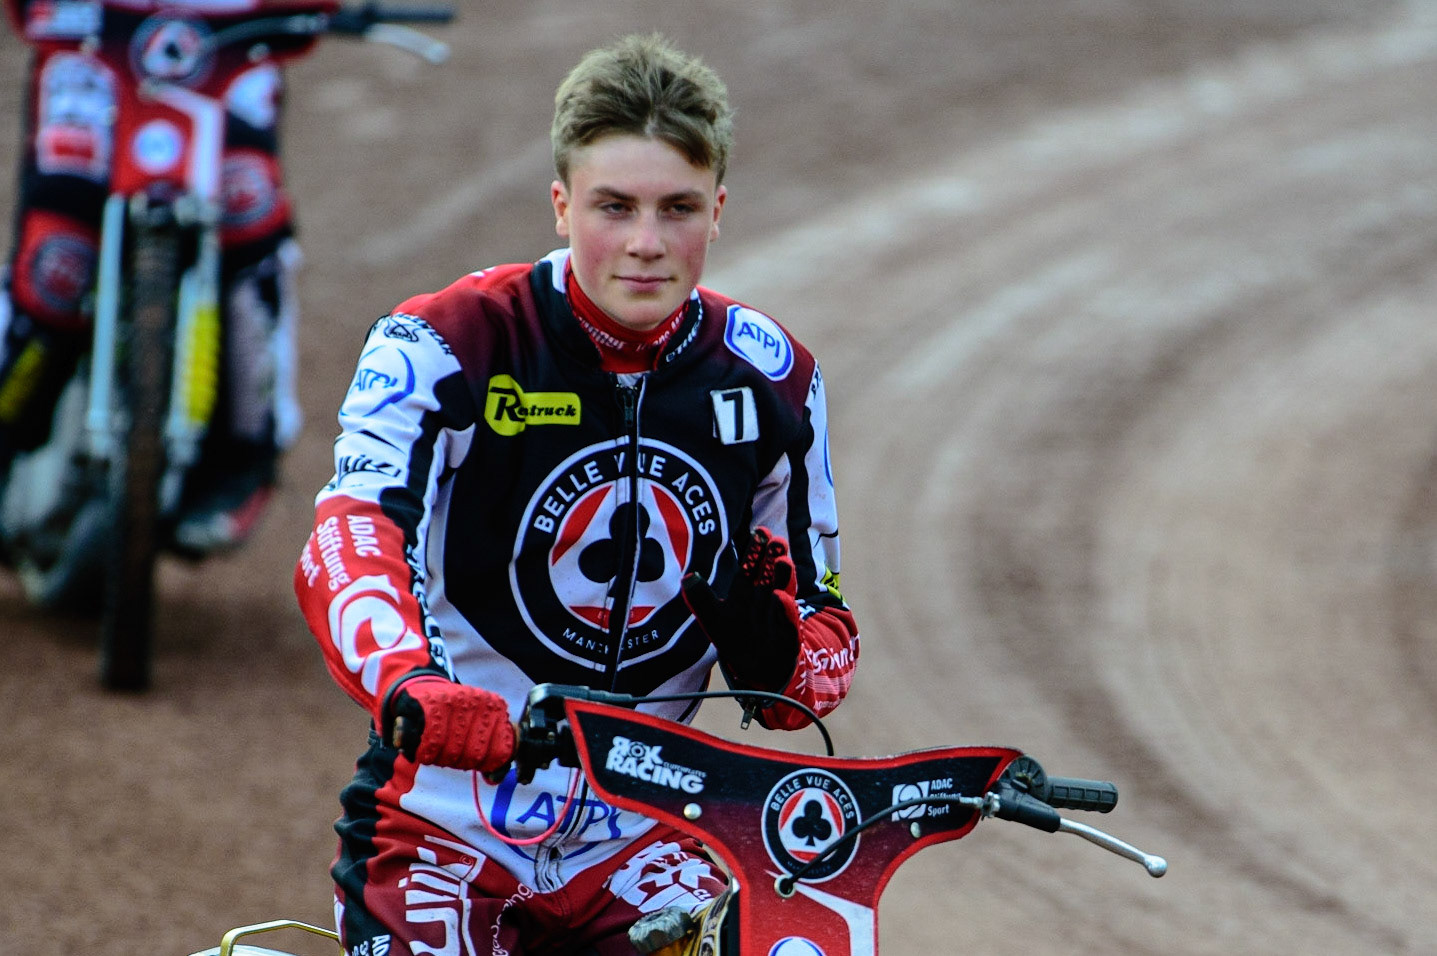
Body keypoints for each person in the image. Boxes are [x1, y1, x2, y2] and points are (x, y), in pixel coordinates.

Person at [294, 33, 860, 955]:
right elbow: (349, 539)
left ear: (718, 211)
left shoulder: (771, 379)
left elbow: (825, 634)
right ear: (560, 206)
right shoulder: (446, 343)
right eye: (613, 206)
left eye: (677, 207)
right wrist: (412, 685)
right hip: (443, 815)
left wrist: (781, 651)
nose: (645, 243)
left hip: (653, 834)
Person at [0, 0, 329, 550]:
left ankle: (246, 452)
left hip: (230, 52)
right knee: (58, 260)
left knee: (248, 209)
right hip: (91, 51)